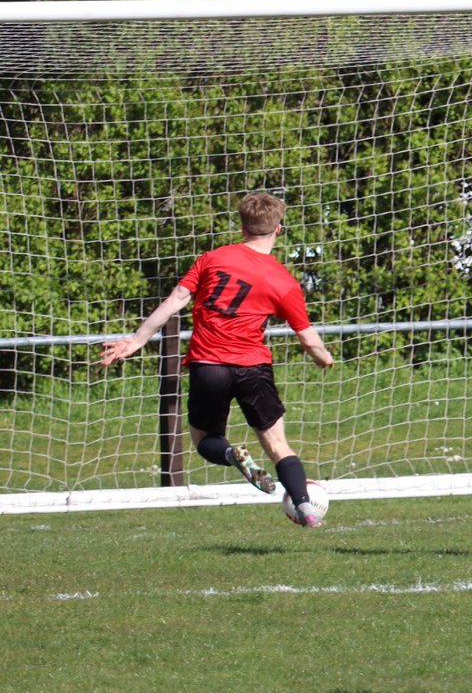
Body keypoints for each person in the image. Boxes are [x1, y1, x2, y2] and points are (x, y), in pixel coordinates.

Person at [99, 191, 334, 526]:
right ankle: (306, 508)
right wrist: (323, 357)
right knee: (278, 444)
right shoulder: (283, 281)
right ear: (279, 229)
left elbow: (175, 300)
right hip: (253, 367)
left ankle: (230, 454)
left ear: (242, 227)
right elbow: (309, 339)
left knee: (205, 440)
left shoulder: (213, 258)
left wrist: (136, 340)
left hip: (208, 366)